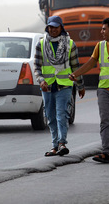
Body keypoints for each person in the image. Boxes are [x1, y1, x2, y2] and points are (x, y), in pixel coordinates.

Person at [68, 17, 109, 163]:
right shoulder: (100, 46)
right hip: (104, 89)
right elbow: (90, 64)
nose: (101, 31)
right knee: (105, 121)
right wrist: (75, 74)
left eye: (104, 29)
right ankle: (106, 152)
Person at [34, 15, 85, 157]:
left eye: (56, 27)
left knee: (61, 115)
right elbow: (37, 67)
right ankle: (54, 146)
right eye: (50, 27)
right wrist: (41, 80)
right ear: (47, 28)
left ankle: (62, 143)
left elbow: (76, 67)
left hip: (64, 86)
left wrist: (80, 85)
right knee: (50, 117)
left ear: (61, 28)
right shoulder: (41, 44)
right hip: (47, 87)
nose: (53, 30)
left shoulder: (70, 44)